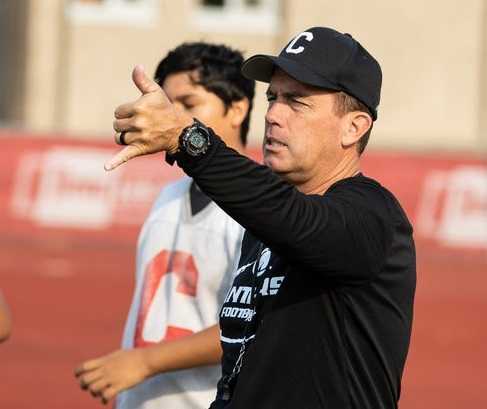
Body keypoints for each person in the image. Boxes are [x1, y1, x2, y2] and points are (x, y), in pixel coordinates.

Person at [104, 27, 416, 409]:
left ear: (354, 127)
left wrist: (186, 139)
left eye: (297, 101)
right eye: (272, 97)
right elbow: (239, 370)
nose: (273, 115)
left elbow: (294, 219)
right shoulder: (264, 228)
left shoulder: (374, 216)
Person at [75, 42, 255, 408]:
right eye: (169, 106)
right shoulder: (168, 197)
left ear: (238, 108)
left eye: (189, 104)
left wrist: (145, 361)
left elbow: (252, 321)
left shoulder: (259, 210)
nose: (173, 117)